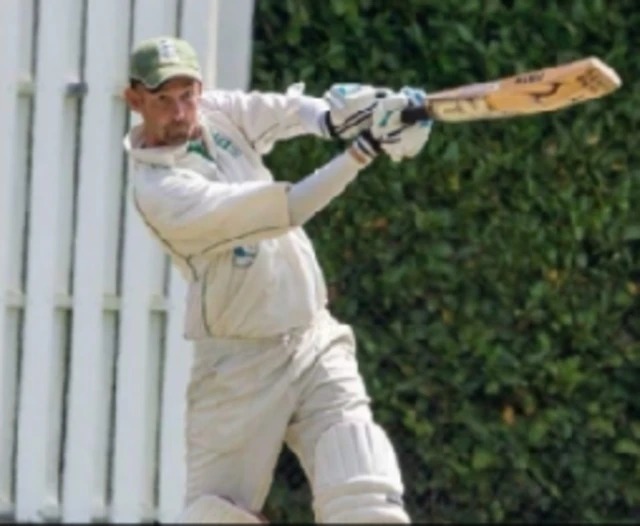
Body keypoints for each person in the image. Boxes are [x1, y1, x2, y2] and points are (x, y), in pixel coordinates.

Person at [123, 36, 433, 524]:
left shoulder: (215, 113)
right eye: (163, 99)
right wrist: (365, 148)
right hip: (237, 367)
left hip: (313, 340)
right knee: (215, 517)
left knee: (367, 504)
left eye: (188, 95)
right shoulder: (160, 191)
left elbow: (291, 112)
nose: (181, 111)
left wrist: (352, 113)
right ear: (135, 100)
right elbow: (289, 208)